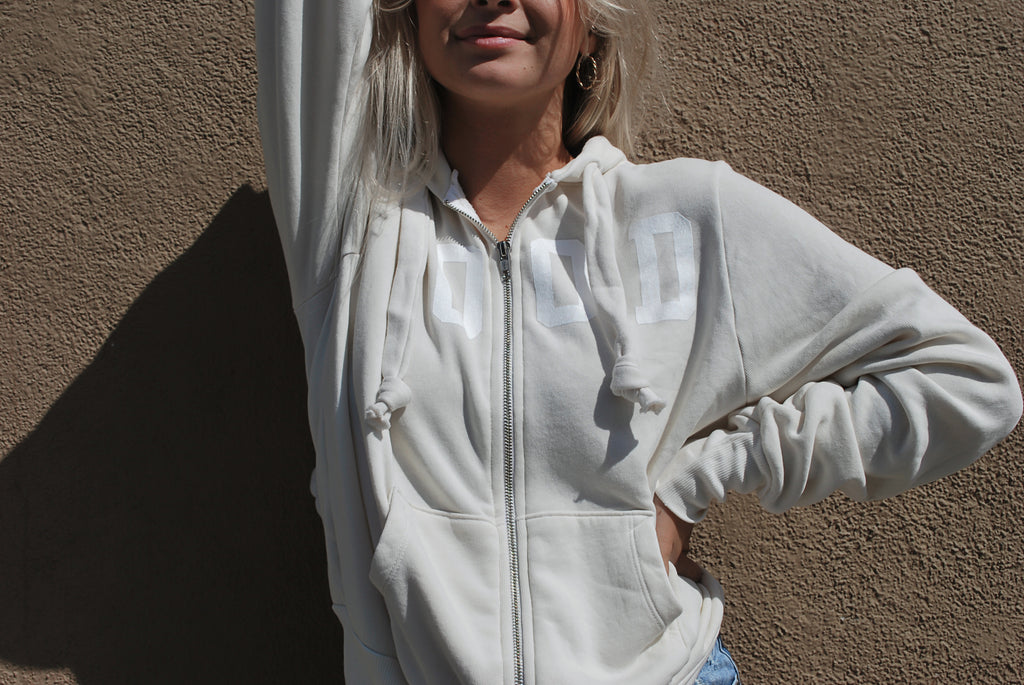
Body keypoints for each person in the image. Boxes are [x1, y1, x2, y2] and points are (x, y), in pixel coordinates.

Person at [254, 0, 1022, 683]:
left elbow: (967, 382)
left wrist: (701, 479)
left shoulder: (682, 219)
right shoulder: (355, 235)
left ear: (591, 24)